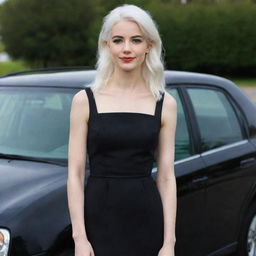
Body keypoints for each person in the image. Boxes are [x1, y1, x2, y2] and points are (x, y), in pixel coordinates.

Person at [67, 3, 177, 256]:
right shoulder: (84, 101)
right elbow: (75, 173)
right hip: (97, 218)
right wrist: (80, 239)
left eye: (136, 40)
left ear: (149, 45)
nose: (127, 48)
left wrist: (168, 243)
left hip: (146, 218)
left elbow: (166, 177)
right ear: (107, 45)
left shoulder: (165, 104)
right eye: (118, 40)